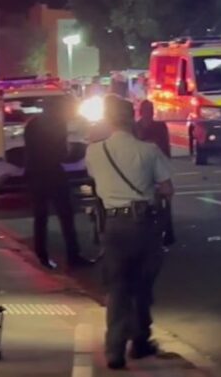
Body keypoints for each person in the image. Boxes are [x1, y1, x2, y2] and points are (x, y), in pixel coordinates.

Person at [85, 98, 174, 370]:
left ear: (108, 121)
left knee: (117, 287)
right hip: (144, 224)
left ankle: (114, 350)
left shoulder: (94, 151)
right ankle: (140, 340)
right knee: (142, 286)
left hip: (112, 226)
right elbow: (167, 189)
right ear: (132, 118)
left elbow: (97, 183)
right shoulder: (149, 150)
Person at [24, 97, 90, 270]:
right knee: (65, 214)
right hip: (53, 172)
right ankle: (73, 254)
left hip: (34, 173)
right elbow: (62, 153)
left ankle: (42, 255)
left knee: (40, 216)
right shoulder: (58, 124)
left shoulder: (31, 124)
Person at [135, 100, 174, 246]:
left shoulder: (142, 127)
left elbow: (165, 146)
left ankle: (165, 234)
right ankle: (164, 234)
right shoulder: (155, 127)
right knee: (161, 200)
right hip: (150, 166)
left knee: (162, 200)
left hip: (153, 165)